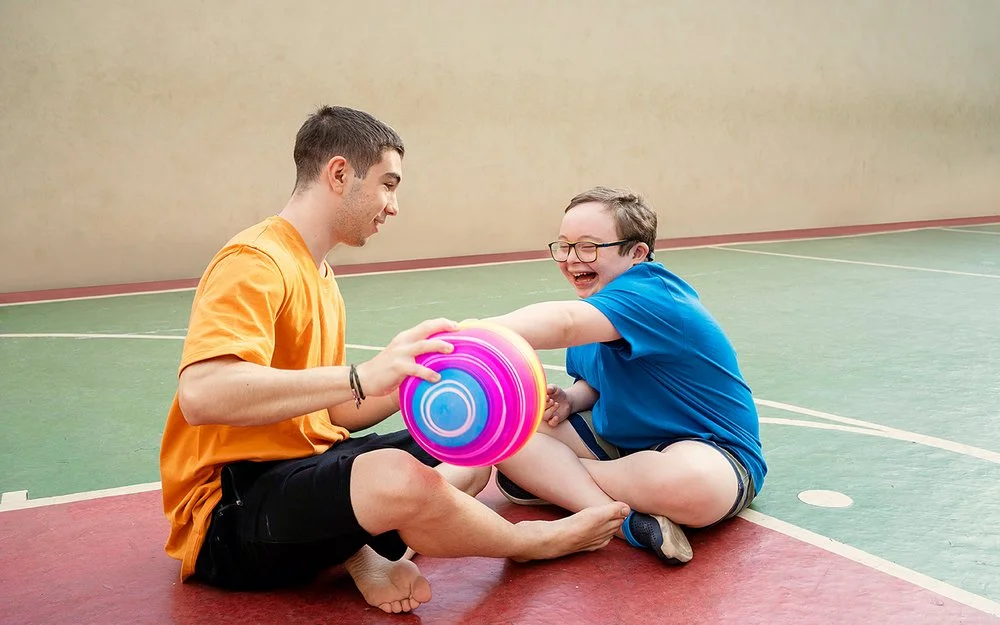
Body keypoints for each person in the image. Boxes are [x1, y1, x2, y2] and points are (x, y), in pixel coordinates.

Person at [158, 106, 630, 614]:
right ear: (339, 174)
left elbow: (336, 414)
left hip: (306, 470)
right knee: (398, 478)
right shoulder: (254, 262)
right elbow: (203, 394)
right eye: (387, 184)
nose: (394, 205)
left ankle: (361, 554)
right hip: (229, 512)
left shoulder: (317, 274)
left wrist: (408, 373)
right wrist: (362, 376)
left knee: (469, 449)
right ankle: (530, 545)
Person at [483, 186, 766, 565]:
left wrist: (473, 331)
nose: (571, 259)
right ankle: (627, 523)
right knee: (503, 430)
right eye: (564, 246)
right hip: (625, 445)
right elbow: (595, 382)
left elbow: (564, 323)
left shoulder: (652, 294)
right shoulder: (597, 307)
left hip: (708, 448)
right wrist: (573, 399)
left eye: (588, 246)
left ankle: (553, 483)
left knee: (695, 487)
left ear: (637, 253)